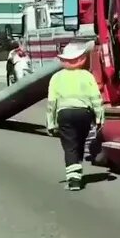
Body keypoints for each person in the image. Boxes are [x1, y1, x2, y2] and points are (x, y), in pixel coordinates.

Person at [45, 41, 104, 191]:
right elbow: (96, 97)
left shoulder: (56, 78)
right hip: (84, 113)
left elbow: (52, 103)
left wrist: (51, 123)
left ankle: (74, 180)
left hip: (64, 114)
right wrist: (99, 117)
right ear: (82, 59)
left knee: (69, 145)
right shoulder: (87, 76)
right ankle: (76, 170)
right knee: (80, 141)